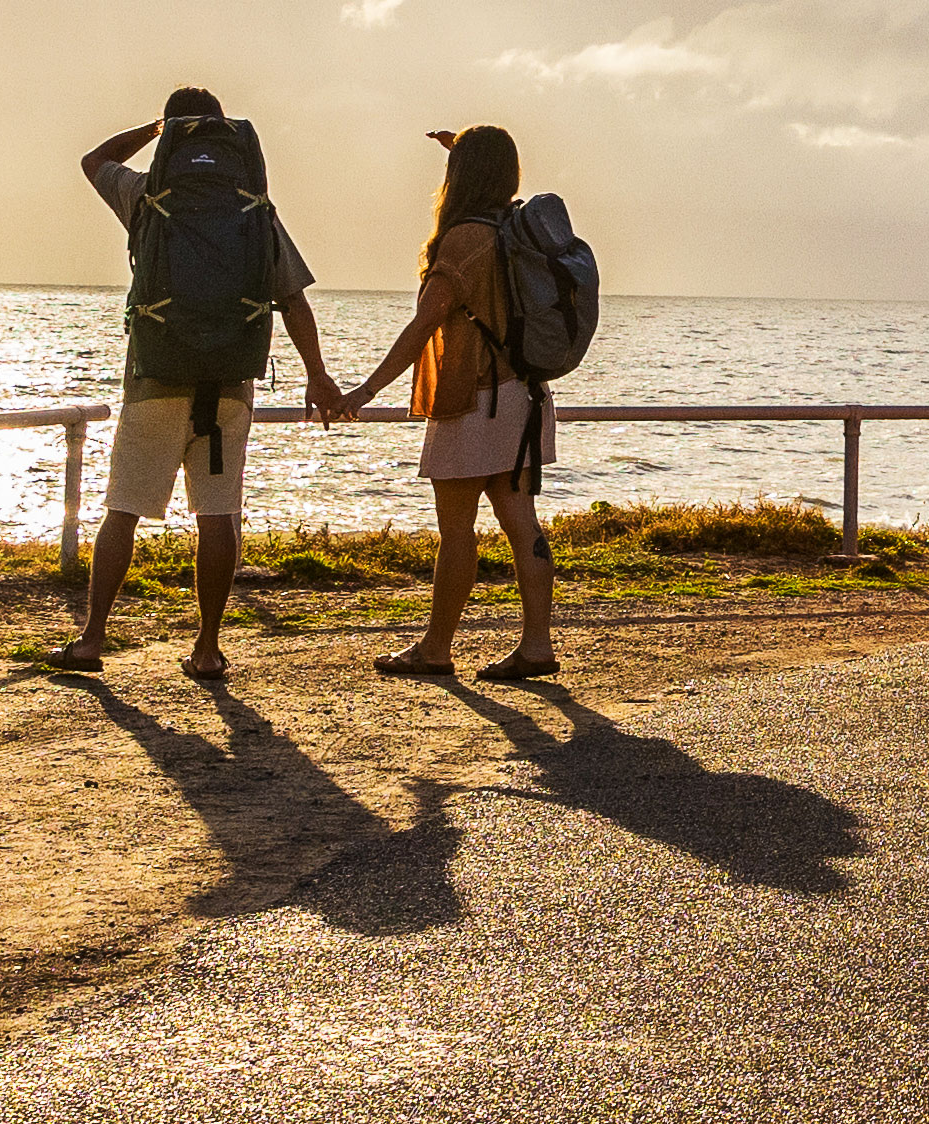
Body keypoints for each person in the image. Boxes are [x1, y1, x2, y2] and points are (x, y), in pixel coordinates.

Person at [49, 89, 334, 683]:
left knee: (123, 510)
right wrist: (317, 373)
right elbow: (293, 298)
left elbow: (94, 160)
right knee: (218, 513)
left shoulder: (149, 196)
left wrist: (157, 129)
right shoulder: (254, 208)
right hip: (229, 377)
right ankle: (207, 648)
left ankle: (92, 639)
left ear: (176, 135)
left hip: (156, 373)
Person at [342, 119, 568, 684]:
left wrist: (366, 390)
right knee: (521, 522)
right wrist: (465, 147)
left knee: (457, 528)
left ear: (459, 177)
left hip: (475, 401)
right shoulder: (515, 228)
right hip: (525, 393)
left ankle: (436, 647)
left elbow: (426, 321)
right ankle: (537, 645)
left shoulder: (465, 238)